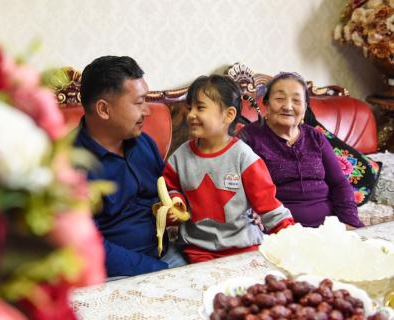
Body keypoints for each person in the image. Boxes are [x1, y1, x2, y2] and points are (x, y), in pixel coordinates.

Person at [74, 56, 187, 277]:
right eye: (139, 102)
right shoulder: (71, 166)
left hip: (169, 253)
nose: (147, 110)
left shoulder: (143, 141)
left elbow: (169, 187)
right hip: (116, 274)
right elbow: (88, 245)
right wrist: (157, 271)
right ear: (104, 110)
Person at [163, 75, 294, 263]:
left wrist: (294, 238)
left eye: (200, 108)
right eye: (190, 107)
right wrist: (176, 201)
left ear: (229, 115)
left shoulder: (244, 157)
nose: (191, 114)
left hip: (244, 248)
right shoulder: (180, 156)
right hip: (196, 250)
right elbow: (170, 187)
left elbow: (269, 207)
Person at [240, 72, 364, 228]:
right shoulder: (249, 138)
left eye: (297, 100)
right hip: (280, 228)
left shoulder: (315, 137)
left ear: (305, 108)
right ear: (266, 104)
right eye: (279, 99)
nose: (288, 106)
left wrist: (349, 222)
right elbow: (239, 190)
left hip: (329, 226)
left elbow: (339, 183)